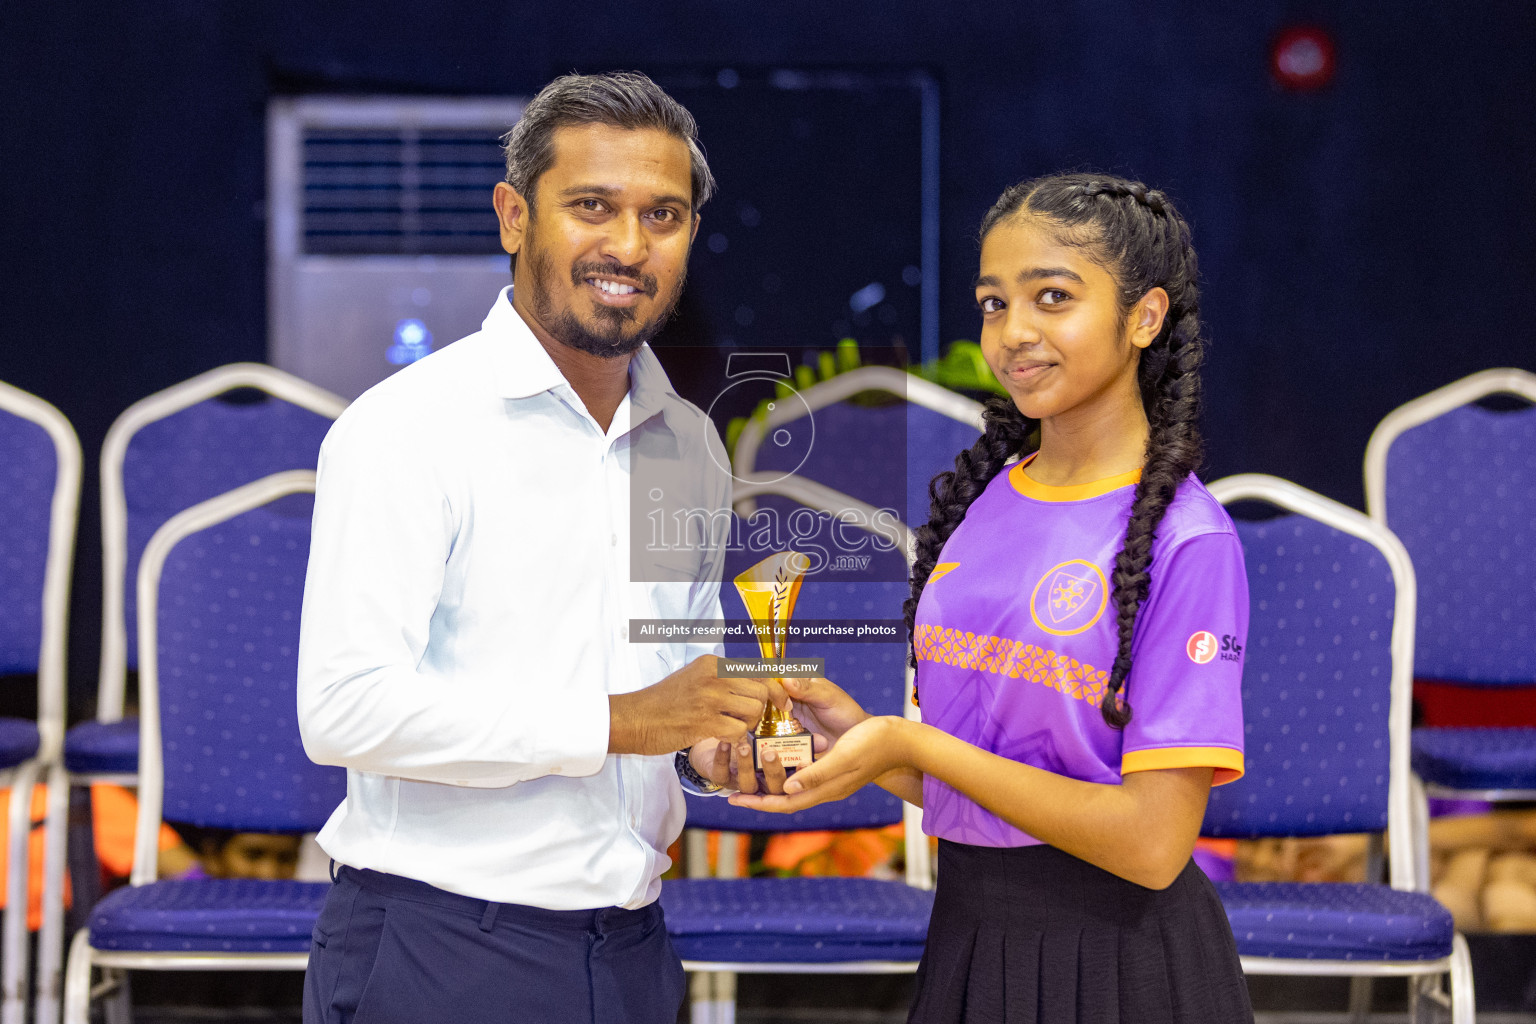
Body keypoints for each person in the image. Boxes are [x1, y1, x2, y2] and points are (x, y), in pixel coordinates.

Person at [296, 71, 773, 1024]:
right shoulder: (406, 428)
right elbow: (343, 712)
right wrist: (619, 723)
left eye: (663, 215)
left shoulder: (689, 444)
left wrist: (710, 747)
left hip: (634, 948)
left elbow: (666, 681)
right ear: (515, 216)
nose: (628, 246)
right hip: (438, 949)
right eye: (592, 207)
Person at [733, 173, 1254, 1022]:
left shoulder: (1187, 538)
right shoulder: (983, 501)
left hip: (1123, 968)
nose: (1014, 334)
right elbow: (1000, 793)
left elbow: (1153, 845)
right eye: (991, 303)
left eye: (1053, 298)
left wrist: (918, 748)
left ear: (1145, 316)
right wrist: (871, 747)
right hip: (971, 940)